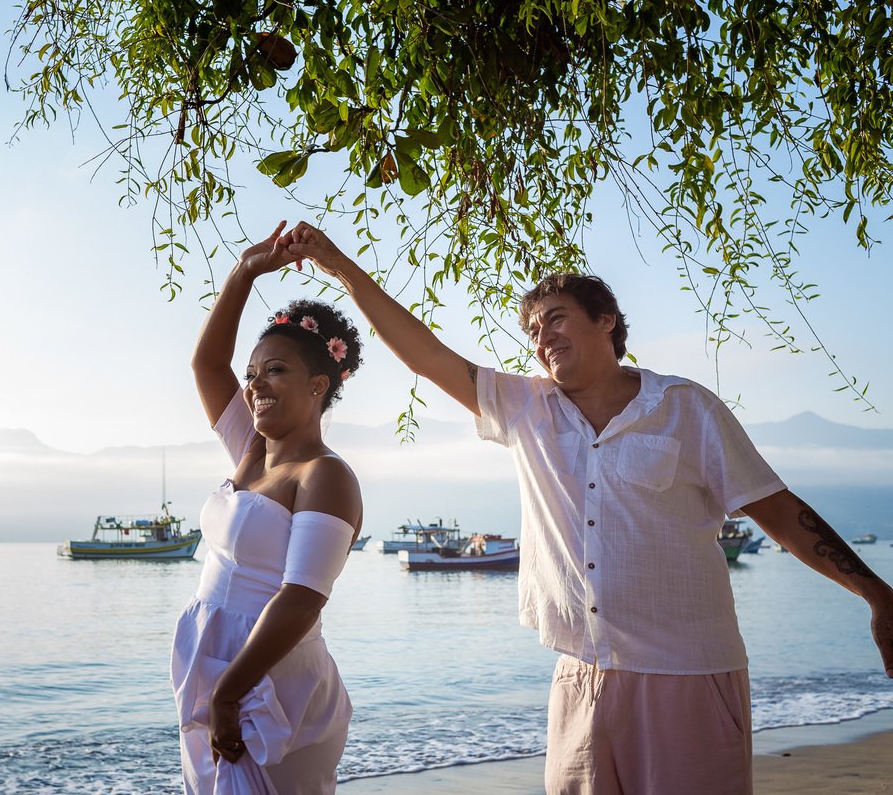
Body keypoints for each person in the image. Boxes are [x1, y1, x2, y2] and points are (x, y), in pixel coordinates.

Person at [279, 221, 893, 795]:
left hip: (688, 675)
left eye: (556, 319)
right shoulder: (526, 409)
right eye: (534, 331)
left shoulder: (689, 410)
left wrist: (876, 595)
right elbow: (425, 353)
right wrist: (340, 267)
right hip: (580, 677)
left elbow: (778, 512)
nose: (543, 337)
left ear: (607, 323)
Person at [171, 221, 365, 794]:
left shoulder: (324, 475)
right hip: (214, 670)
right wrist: (246, 271)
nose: (255, 385)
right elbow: (207, 365)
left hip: (270, 683)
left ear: (318, 385)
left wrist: (232, 689)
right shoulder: (251, 452)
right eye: (253, 373)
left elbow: (303, 596)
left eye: (275, 370)